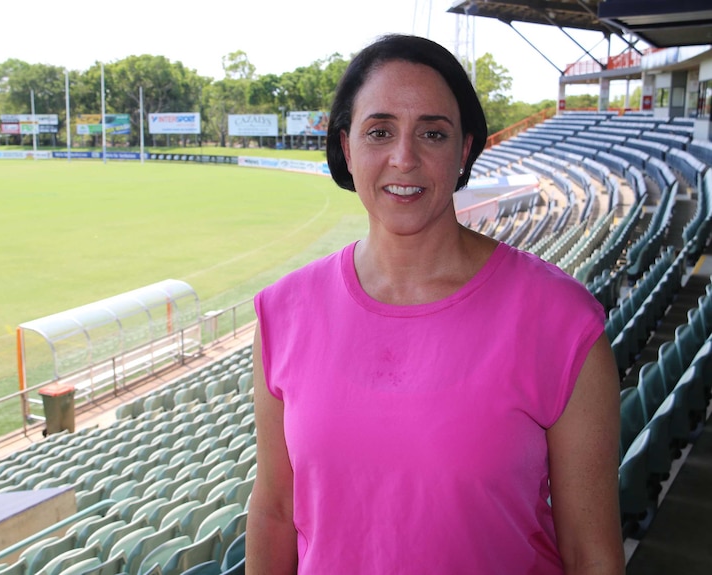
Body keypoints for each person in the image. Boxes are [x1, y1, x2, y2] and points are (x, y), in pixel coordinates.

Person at [246, 34, 624, 574]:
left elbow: (593, 555)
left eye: (432, 132)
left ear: (465, 148)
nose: (404, 158)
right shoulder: (281, 314)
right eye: (379, 131)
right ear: (347, 147)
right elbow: (275, 510)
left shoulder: (562, 323)